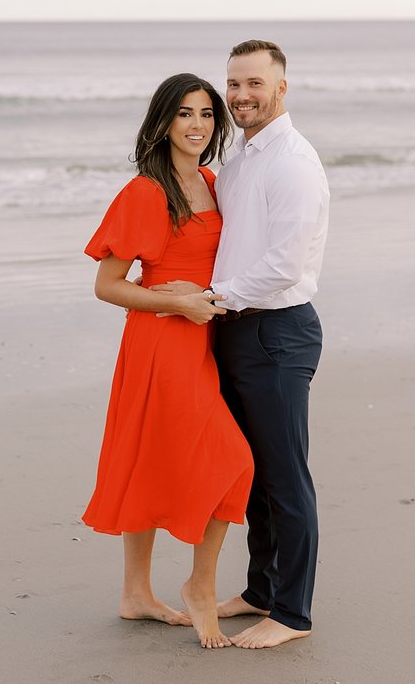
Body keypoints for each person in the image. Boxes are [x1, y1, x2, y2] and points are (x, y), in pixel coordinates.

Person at [153, 40, 329, 648]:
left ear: (282, 87)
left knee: (285, 478)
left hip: (277, 333)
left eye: (254, 83)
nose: (240, 95)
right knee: (248, 472)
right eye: (233, 84)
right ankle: (259, 590)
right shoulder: (243, 158)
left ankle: (292, 613)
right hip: (234, 326)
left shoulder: (293, 164)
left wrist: (208, 294)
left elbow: (281, 268)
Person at [82, 73, 255, 649]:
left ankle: (135, 595)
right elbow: (107, 285)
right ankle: (198, 588)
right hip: (161, 343)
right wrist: (176, 300)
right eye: (185, 114)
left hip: (206, 339)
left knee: (152, 457)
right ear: (162, 122)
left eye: (207, 114)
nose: (197, 126)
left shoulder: (210, 180)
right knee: (232, 458)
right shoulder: (146, 192)